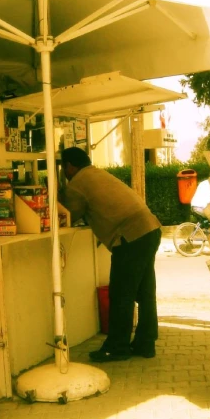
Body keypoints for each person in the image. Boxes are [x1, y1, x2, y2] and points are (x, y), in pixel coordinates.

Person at [59, 147, 161, 363]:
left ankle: (117, 347)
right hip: (150, 229)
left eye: (63, 167)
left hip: (130, 236)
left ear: (69, 166)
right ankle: (145, 343)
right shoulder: (96, 173)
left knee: (121, 294)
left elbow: (67, 214)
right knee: (144, 292)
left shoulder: (77, 184)